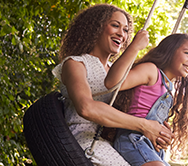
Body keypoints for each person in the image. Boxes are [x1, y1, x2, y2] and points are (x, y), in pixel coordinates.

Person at [52, 4, 174, 166]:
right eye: (115, 25)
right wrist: (144, 126)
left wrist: (159, 132)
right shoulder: (76, 63)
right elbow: (86, 108)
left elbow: (137, 109)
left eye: (125, 30)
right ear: (96, 28)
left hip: (113, 143)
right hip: (84, 142)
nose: (121, 34)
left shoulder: (117, 73)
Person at [105, 33, 188, 166]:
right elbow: (113, 83)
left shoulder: (168, 91)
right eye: (187, 53)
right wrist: (135, 47)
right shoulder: (151, 71)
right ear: (170, 50)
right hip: (132, 140)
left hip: (152, 148)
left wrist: (164, 136)